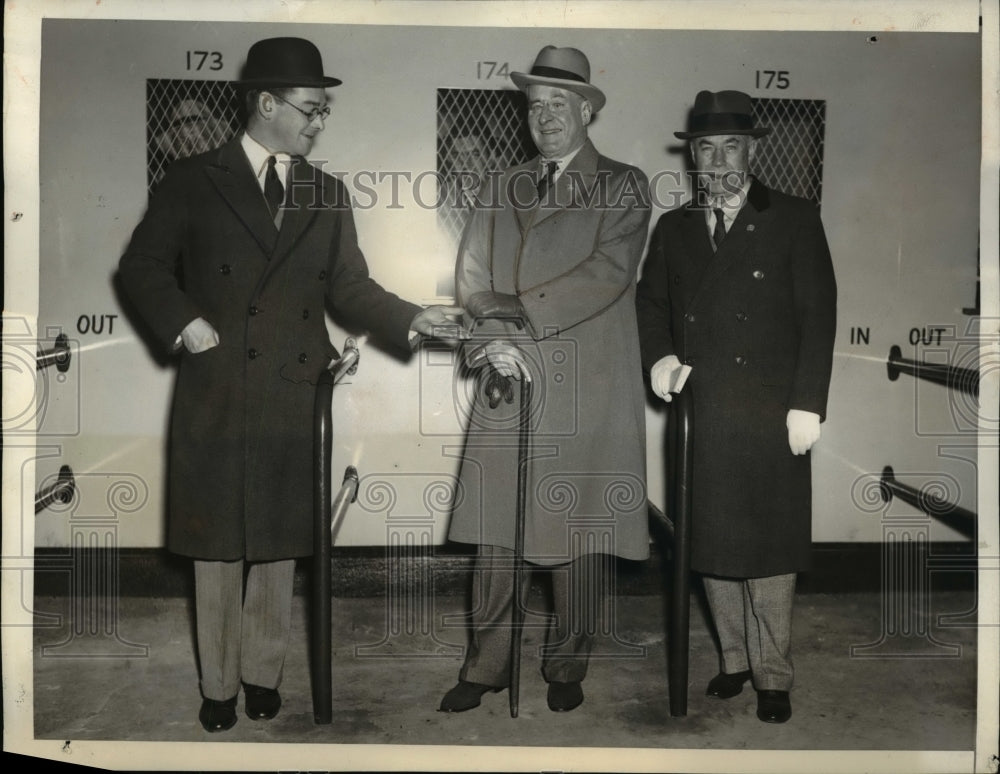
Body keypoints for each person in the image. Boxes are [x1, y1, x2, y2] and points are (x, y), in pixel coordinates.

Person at [118, 37, 462, 733]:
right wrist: (186, 323)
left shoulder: (324, 192)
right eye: (310, 109)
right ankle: (217, 684)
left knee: (277, 542)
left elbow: (351, 287)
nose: (319, 122)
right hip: (216, 384)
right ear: (266, 104)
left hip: (292, 385)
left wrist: (414, 316)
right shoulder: (191, 180)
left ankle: (261, 674)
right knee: (217, 546)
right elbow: (142, 270)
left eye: (324, 110)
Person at [440, 46, 651, 714]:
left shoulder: (624, 184)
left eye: (561, 103)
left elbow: (607, 275)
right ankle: (487, 665)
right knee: (496, 526)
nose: (547, 117)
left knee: (578, 530)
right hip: (506, 370)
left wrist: (513, 318)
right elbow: (471, 276)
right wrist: (494, 337)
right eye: (536, 105)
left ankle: (567, 661)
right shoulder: (500, 185)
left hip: (585, 382)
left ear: (587, 110)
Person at [635, 90, 837, 724]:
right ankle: (734, 660)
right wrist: (660, 358)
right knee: (710, 543)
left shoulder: (795, 217)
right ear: (691, 157)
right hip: (704, 410)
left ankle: (774, 673)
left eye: (729, 146)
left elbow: (819, 317)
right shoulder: (675, 227)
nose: (716, 160)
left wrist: (808, 404)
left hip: (772, 412)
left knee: (769, 549)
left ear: (751, 150)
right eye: (703, 149)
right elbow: (651, 308)